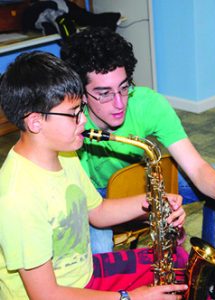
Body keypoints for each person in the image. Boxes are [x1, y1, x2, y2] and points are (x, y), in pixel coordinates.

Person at [60, 26, 215, 254]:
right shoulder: (67, 120)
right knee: (99, 245)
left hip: (137, 181)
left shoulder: (149, 103)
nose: (119, 103)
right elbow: (90, 210)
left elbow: (196, 167)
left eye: (124, 87)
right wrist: (154, 209)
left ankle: (211, 274)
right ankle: (111, 289)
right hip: (93, 196)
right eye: (104, 93)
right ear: (81, 93)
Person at [0, 51, 188, 299]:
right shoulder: (18, 197)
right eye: (74, 113)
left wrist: (155, 202)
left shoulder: (63, 155)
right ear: (35, 122)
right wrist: (129, 297)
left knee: (178, 260)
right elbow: (45, 295)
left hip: (84, 275)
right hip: (59, 293)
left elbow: (98, 212)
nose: (84, 120)